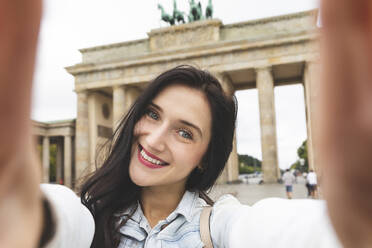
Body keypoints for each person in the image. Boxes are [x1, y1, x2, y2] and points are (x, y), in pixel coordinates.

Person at [2, 0, 372, 247]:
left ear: (205, 157)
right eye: (152, 113)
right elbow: (58, 220)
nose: (155, 139)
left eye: (185, 132)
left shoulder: (220, 225)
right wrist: (26, 214)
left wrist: (351, 220)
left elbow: (270, 230)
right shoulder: (88, 220)